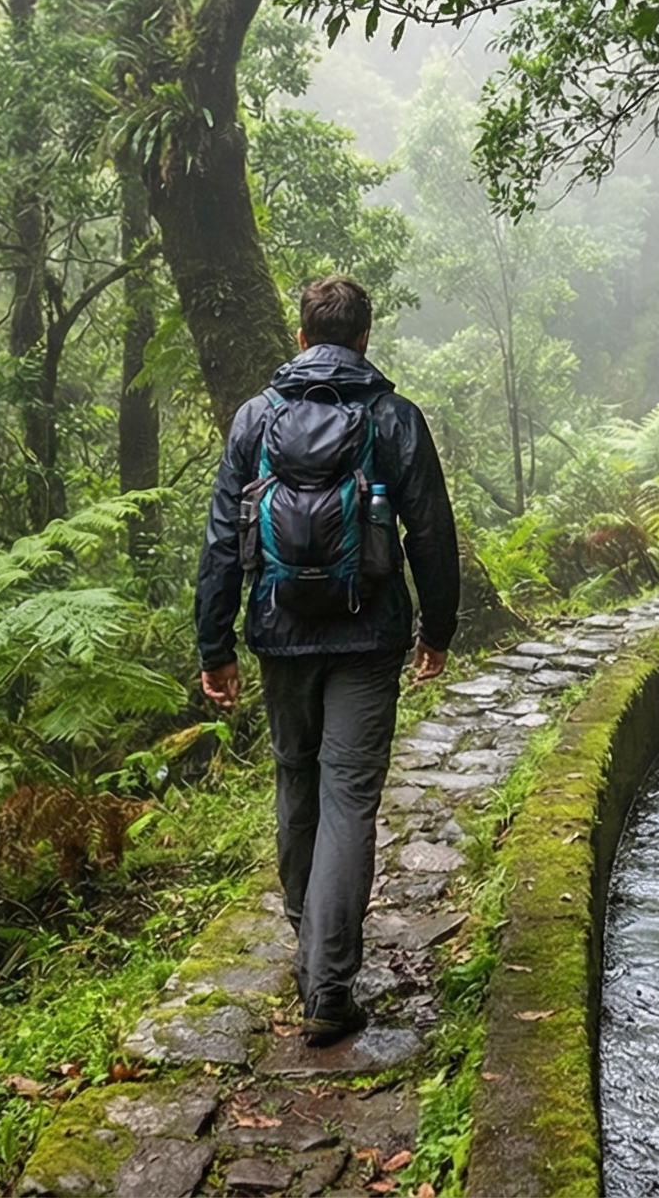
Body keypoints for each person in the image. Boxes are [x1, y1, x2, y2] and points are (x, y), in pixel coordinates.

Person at [194, 275, 459, 1046]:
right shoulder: (393, 418)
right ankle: (329, 987)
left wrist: (216, 645)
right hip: (368, 636)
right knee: (349, 800)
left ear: (303, 339)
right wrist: (437, 630)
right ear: (365, 338)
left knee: (295, 779)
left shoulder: (255, 418)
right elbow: (431, 535)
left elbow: (221, 539)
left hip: (279, 634)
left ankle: (308, 945)